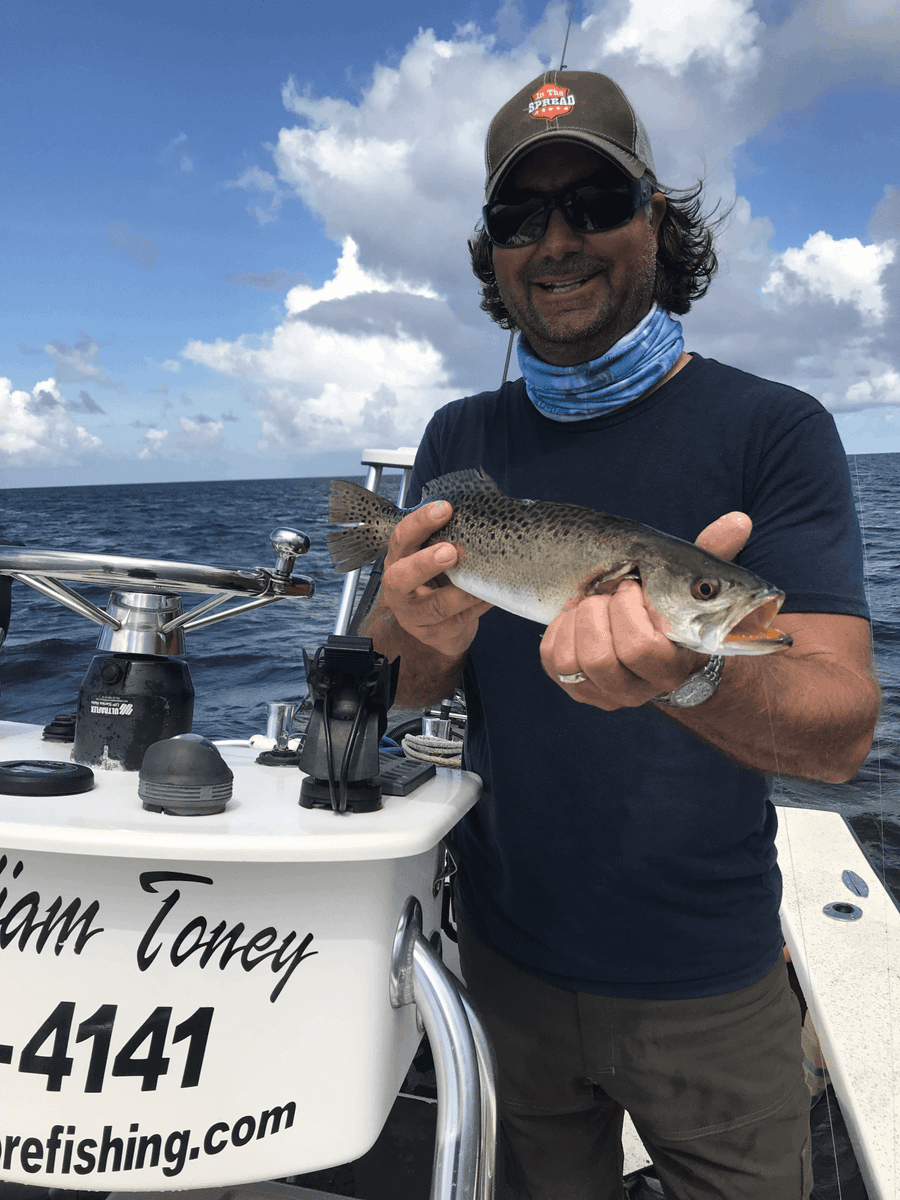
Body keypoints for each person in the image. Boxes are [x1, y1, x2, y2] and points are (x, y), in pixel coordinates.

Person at [363, 71, 880, 1200]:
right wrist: (415, 627)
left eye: (595, 201)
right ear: (492, 253)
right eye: (519, 217)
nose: (557, 240)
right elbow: (390, 688)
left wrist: (691, 682)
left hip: (709, 983)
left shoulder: (776, 429)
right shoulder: (461, 433)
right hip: (502, 965)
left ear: (658, 218)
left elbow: (840, 731)